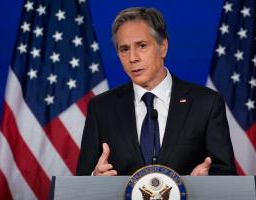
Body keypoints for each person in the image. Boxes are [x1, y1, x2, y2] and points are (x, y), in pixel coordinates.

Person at [76, 7, 237, 176]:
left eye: (142, 46)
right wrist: (95, 177)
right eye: (124, 49)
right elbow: (81, 180)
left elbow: (226, 173)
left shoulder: (206, 103)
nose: (133, 58)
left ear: (163, 47)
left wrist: (203, 183)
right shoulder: (101, 108)